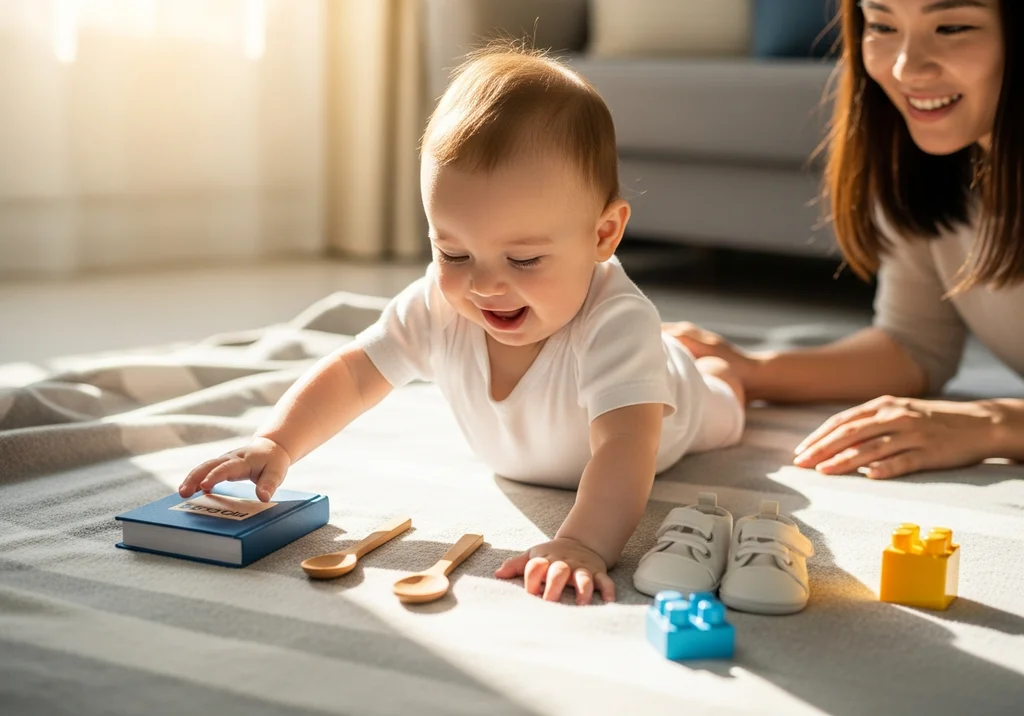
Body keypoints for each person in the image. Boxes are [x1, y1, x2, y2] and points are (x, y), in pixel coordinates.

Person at [177, 45, 746, 605]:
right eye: (453, 253)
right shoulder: (440, 304)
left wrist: (581, 542)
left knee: (724, 402)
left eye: (523, 260)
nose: (485, 285)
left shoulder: (617, 323)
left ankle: (729, 370)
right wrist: (276, 441)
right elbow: (355, 374)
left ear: (602, 235)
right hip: (566, 425)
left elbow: (626, 445)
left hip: (678, 410)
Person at [664, 0, 1023, 480]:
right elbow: (915, 346)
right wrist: (754, 371)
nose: (905, 67)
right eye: (882, 25)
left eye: (952, 27)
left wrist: (998, 424)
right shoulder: (930, 166)